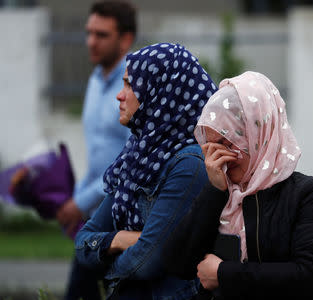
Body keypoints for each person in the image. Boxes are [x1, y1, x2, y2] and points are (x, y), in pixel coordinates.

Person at [163, 71, 313, 300]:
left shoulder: (312, 195)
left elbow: (309, 275)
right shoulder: (221, 194)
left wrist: (223, 273)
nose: (218, 157)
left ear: (258, 133)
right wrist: (214, 192)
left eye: (225, 142)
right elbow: (177, 263)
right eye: (209, 146)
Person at [75, 42, 218, 300]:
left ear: (163, 92)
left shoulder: (190, 164)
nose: (120, 95)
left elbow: (149, 262)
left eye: (131, 85)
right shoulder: (138, 154)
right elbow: (82, 242)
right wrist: (120, 239)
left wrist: (108, 266)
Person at [57, 2, 136, 299]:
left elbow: (129, 161)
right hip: (95, 219)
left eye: (101, 34)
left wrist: (81, 202)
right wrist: (76, 201)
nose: (91, 41)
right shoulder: (94, 81)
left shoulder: (134, 87)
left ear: (125, 39)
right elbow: (98, 157)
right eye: (89, 33)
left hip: (125, 219)